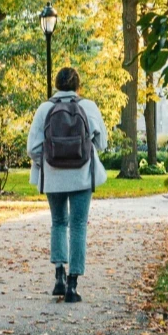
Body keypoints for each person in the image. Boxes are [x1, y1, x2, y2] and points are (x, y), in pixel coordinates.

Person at [28, 67, 108, 304]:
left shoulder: (45, 109)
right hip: (82, 175)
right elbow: (101, 142)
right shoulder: (88, 107)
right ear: (78, 85)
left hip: (54, 177)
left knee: (59, 222)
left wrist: (49, 165)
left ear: (56, 84)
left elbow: (33, 148)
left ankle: (59, 276)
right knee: (78, 225)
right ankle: (73, 284)